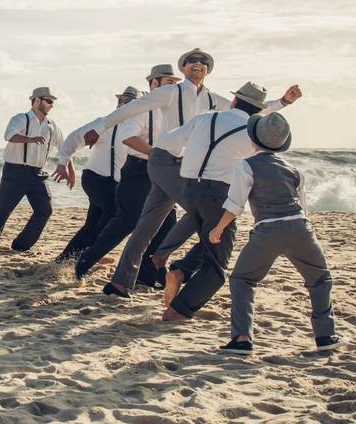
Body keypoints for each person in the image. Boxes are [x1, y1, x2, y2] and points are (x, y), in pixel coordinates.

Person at [83, 49, 301, 298]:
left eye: (204, 62)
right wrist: (100, 127)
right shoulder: (170, 91)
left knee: (146, 226)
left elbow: (252, 112)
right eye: (192, 61)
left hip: (184, 165)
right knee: (202, 212)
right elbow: (133, 108)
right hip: (163, 159)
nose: (198, 64)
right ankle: (159, 259)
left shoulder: (211, 100)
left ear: (208, 69)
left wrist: (283, 102)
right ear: (184, 68)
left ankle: (119, 284)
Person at [213, 113, 342, 354]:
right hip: (301, 228)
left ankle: (242, 339)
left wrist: (218, 228)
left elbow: (235, 205)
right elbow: (303, 208)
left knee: (242, 279)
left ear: (253, 140)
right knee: (320, 279)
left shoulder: (247, 165)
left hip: (268, 231)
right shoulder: (294, 170)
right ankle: (326, 336)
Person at [159, 82, 277, 320]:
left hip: (189, 189)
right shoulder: (251, 132)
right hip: (219, 193)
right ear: (257, 112)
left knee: (212, 238)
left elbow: (169, 142)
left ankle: (181, 270)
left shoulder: (205, 118)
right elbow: (257, 168)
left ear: (234, 101)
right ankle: (178, 310)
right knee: (217, 265)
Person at [72, 65, 179, 284]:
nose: (173, 87)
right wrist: (157, 154)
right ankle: (85, 262)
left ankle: (147, 273)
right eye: (169, 82)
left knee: (168, 223)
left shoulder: (173, 111)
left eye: (175, 83)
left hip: (163, 171)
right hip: (137, 171)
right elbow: (127, 137)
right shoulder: (141, 108)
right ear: (153, 83)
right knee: (127, 221)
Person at [0, 88, 68, 255]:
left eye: (52, 101)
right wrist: (30, 139)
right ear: (36, 100)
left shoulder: (52, 126)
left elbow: (64, 148)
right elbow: (9, 136)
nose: (52, 104)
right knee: (3, 211)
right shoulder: (21, 118)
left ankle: (21, 245)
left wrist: (68, 169)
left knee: (45, 210)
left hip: (37, 174)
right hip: (15, 172)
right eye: (48, 101)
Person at [52, 86, 142, 263]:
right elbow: (75, 137)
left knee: (93, 223)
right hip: (96, 179)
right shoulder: (105, 123)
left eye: (130, 102)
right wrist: (63, 162)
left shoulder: (138, 128)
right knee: (113, 214)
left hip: (114, 184)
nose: (124, 105)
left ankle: (68, 258)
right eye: (122, 101)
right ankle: (87, 253)